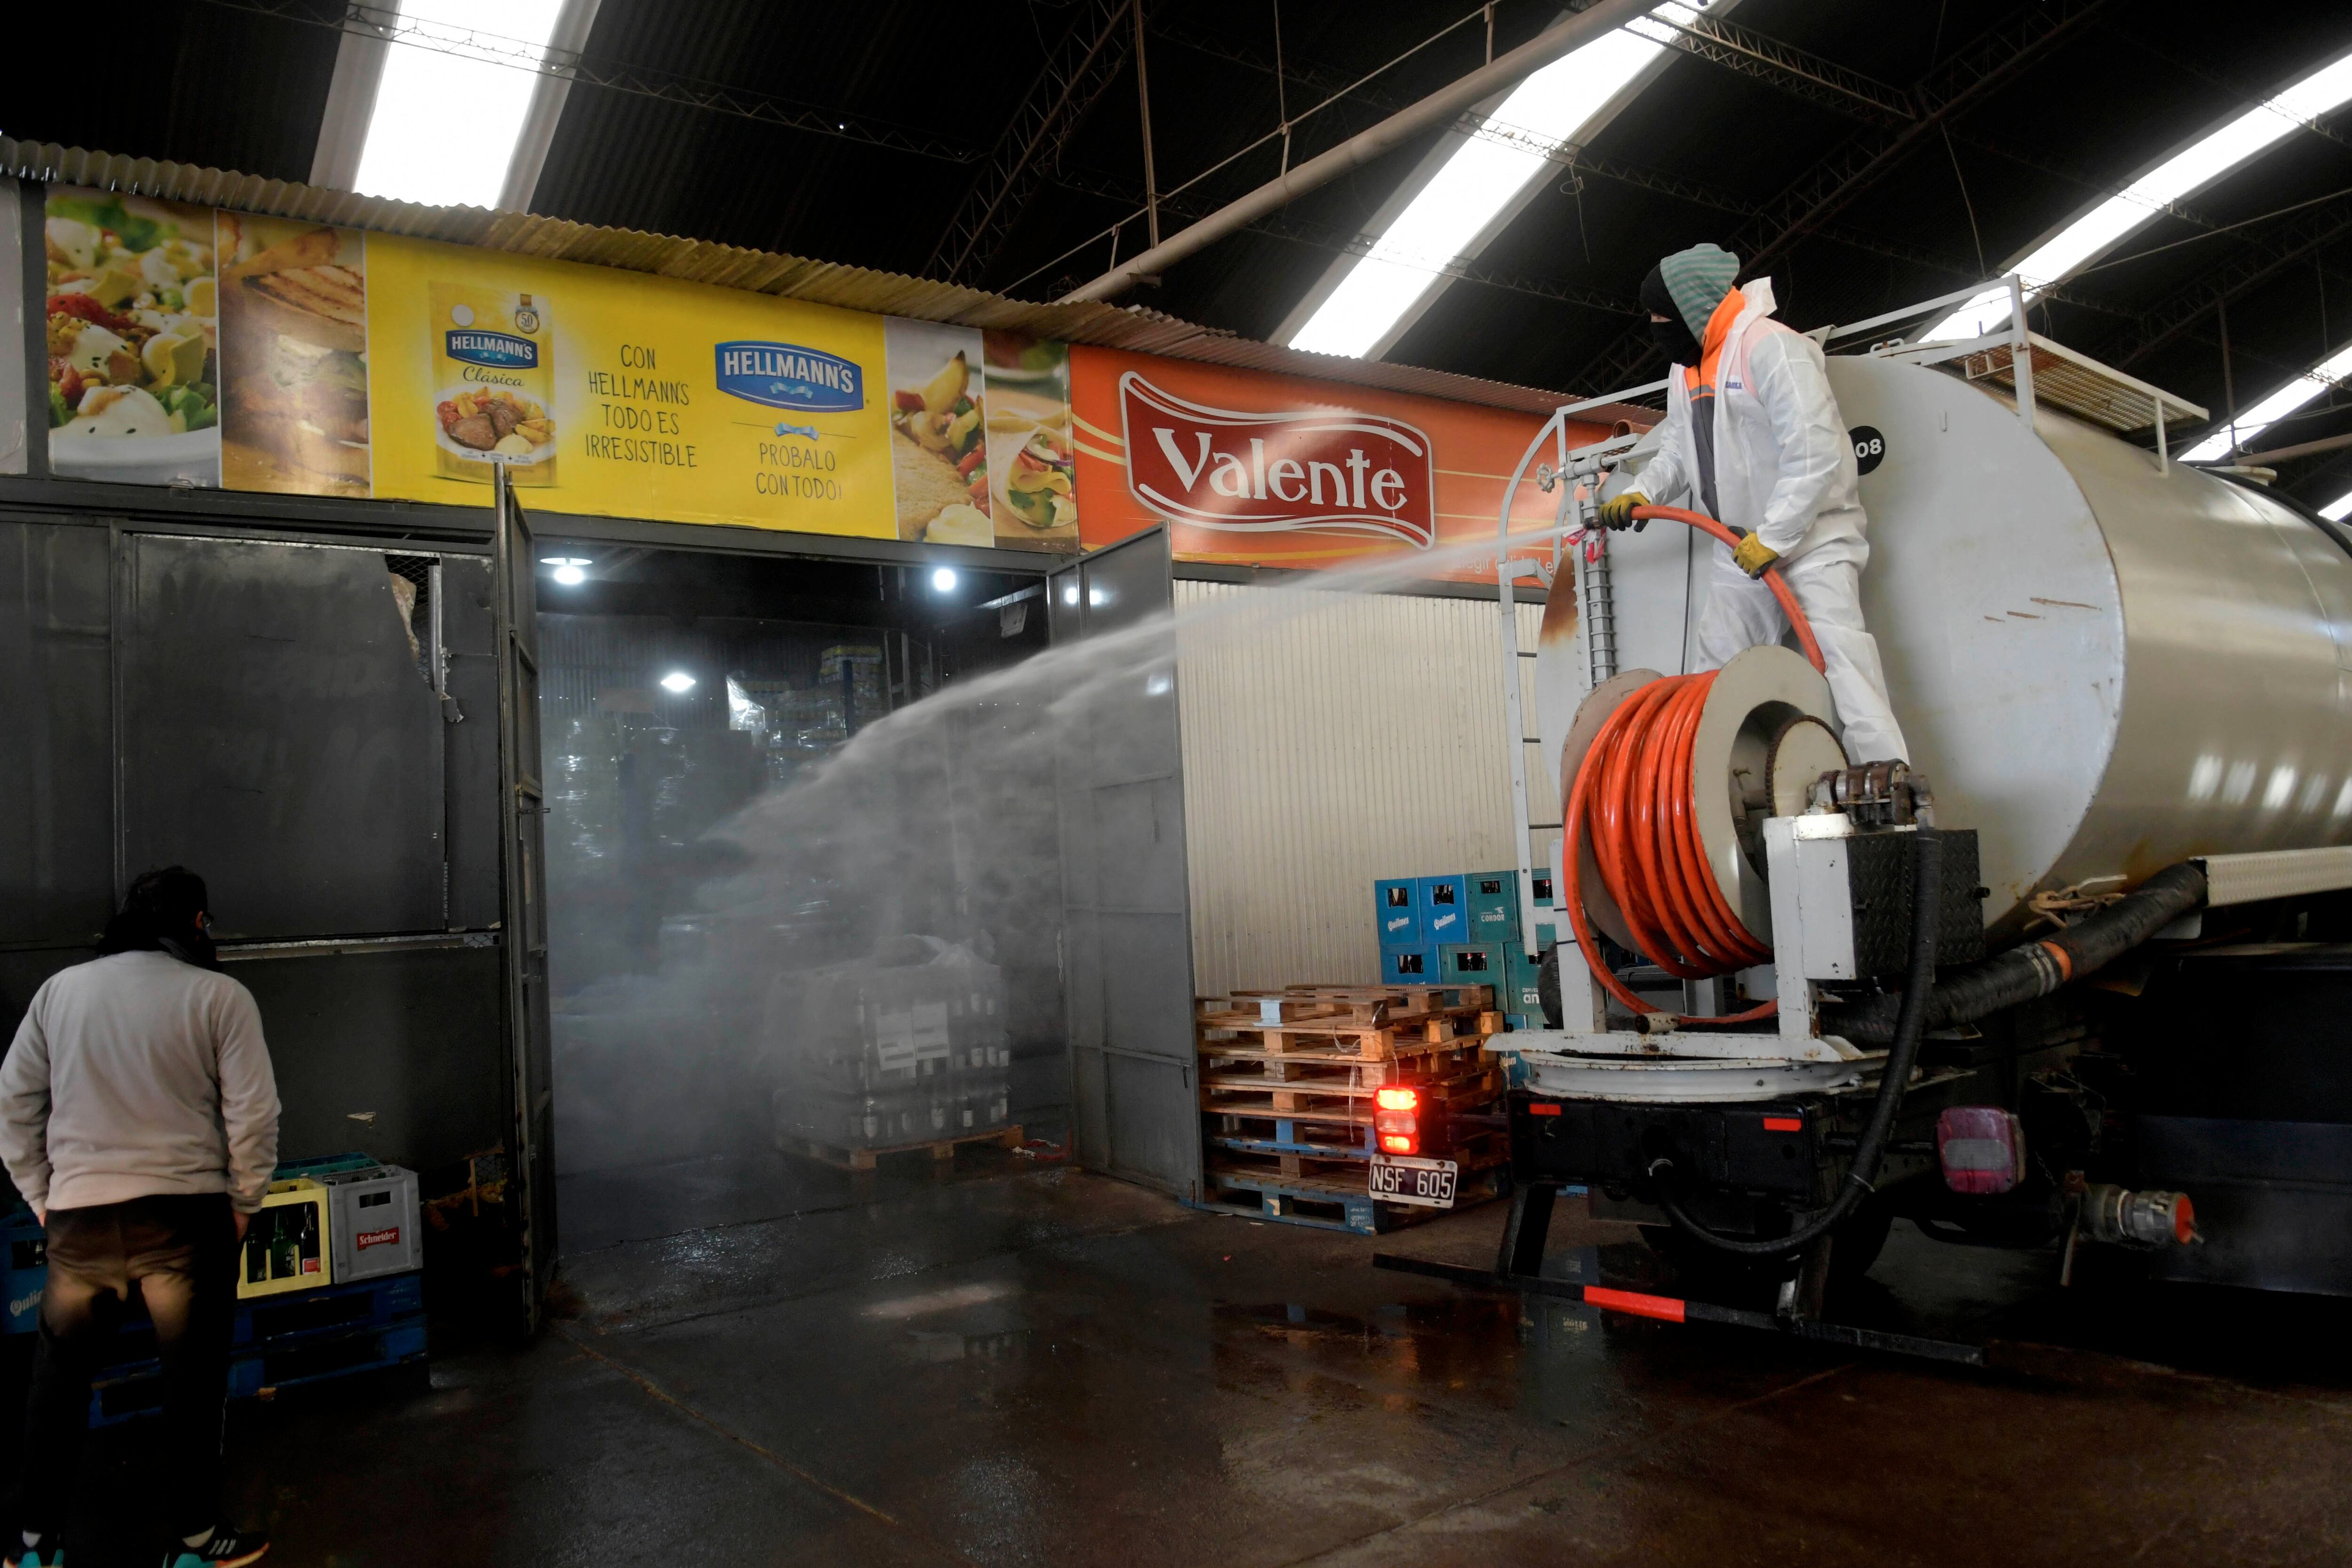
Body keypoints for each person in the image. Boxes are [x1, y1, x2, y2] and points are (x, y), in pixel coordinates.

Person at [0, 868, 278, 1568]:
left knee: (56, 1386)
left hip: (79, 1222)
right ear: (195, 923)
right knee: (192, 1384)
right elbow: (255, 1113)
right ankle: (193, 1541)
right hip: (185, 1222)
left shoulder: (59, 993)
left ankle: (34, 1547)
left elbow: (15, 1102)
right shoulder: (220, 996)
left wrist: (43, 1196)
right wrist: (244, 1202)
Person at [1597, 241, 1910, 764]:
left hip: (1811, 541)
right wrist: (1641, 491)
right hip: (1737, 547)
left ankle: (1887, 784)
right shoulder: (1688, 367)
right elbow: (1680, 443)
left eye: (1660, 314)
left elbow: (1814, 451)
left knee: (1842, 661)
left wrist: (1777, 536)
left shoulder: (1770, 348)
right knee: (1714, 674)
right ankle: (1713, 796)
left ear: (1692, 307)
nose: (1654, 325)